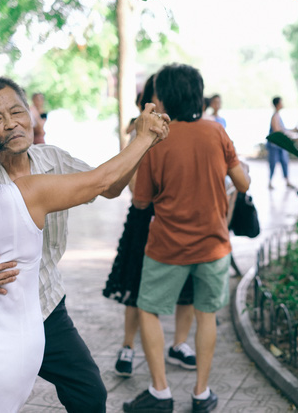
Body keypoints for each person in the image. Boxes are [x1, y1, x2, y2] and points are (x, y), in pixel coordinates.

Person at [0, 76, 156, 412]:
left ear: (32, 113)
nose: (11, 124)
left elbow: (106, 186)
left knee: (89, 394)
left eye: (17, 111)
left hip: (46, 306)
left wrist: (139, 147)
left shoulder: (52, 160)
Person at [123, 63, 250, 413]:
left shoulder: (155, 141)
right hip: (213, 245)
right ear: (198, 95)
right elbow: (243, 183)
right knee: (206, 315)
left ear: (161, 97)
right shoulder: (216, 133)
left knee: (149, 310)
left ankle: (160, 393)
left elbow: (141, 201)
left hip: (167, 246)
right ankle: (201, 394)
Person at [103, 74, 197, 377]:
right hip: (145, 216)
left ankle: (179, 344)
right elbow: (130, 182)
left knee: (189, 284)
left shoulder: (190, 129)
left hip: (182, 214)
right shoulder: (141, 130)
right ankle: (128, 346)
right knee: (136, 282)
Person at [266, 96, 293, 189]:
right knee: (273, 164)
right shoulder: (275, 116)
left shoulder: (278, 115)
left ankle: (287, 180)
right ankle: (270, 182)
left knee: (285, 162)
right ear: (277, 104)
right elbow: (277, 130)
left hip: (280, 145)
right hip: (274, 146)